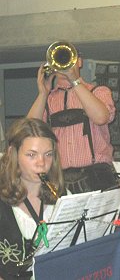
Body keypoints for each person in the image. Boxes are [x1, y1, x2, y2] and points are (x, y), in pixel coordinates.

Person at [27, 44, 120, 194]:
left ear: (79, 62)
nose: (64, 65)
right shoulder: (48, 100)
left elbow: (101, 117)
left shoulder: (99, 91)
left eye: (68, 59)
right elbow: (29, 132)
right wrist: (42, 94)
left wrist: (75, 81)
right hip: (60, 178)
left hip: (97, 175)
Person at [0, 118, 66, 279]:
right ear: (12, 153)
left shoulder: (64, 197)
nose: (41, 163)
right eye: (31, 155)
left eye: (48, 154)